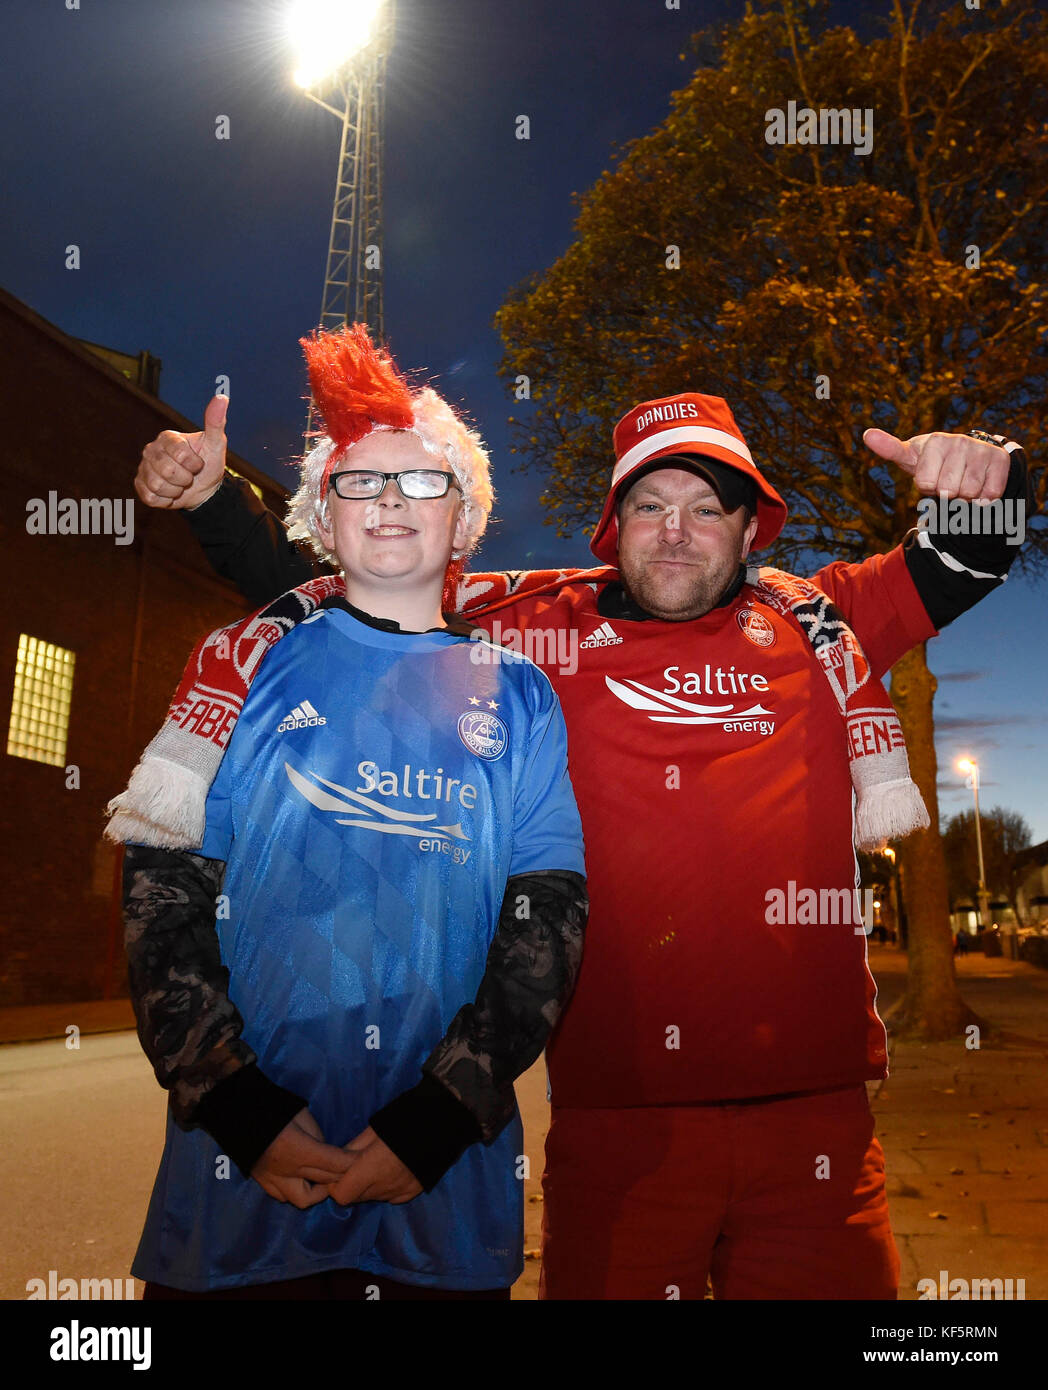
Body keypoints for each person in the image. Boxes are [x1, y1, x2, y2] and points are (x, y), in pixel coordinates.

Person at [135, 368, 1031, 1300]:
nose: (676, 531)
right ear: (614, 527)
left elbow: (966, 559)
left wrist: (987, 483)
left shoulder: (820, 623)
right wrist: (213, 501)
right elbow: (360, 581)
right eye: (650, 504)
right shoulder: (529, 630)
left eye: (707, 506)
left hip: (816, 1125)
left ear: (751, 529)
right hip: (617, 1127)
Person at [108, 325, 587, 1299]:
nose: (392, 504)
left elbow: (545, 926)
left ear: (464, 518)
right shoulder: (238, 667)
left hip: (443, 1199)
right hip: (239, 1203)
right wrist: (235, 1104)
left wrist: (441, 1118)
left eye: (422, 483)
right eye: (361, 483)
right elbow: (160, 900)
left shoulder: (522, 694)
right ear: (322, 516)